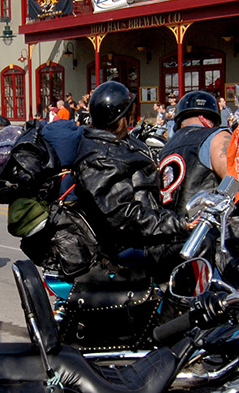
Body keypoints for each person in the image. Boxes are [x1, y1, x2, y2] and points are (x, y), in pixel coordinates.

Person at [73, 81, 188, 273]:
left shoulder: (120, 142)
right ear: (121, 117)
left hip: (147, 232)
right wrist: (178, 223)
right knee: (199, 247)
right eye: (130, 113)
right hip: (127, 245)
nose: (133, 116)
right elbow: (123, 215)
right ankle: (179, 303)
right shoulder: (100, 158)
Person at [158, 90, 239, 213]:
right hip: (217, 232)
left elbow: (220, 178)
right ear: (206, 119)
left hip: (178, 229)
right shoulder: (215, 136)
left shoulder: (166, 148)